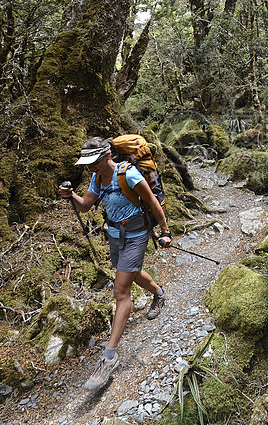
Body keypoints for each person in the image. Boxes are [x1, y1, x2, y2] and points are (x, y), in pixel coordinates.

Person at [59, 137, 172, 390]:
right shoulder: (97, 178)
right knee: (129, 273)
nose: (89, 167)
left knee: (121, 290)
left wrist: (165, 231)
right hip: (115, 235)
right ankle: (159, 292)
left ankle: (109, 356)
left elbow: (153, 202)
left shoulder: (128, 173)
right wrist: (72, 195)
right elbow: (87, 206)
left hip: (137, 234)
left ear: (107, 155)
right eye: (87, 164)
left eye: (93, 162)